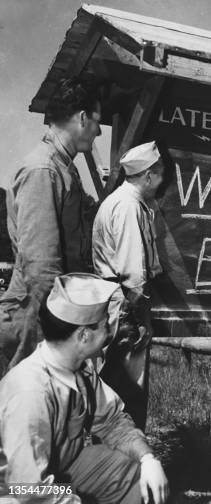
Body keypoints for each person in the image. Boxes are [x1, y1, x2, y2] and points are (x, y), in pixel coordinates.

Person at [0, 273, 168, 504]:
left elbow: (112, 423)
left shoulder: (78, 368)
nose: (109, 333)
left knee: (133, 474)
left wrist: (148, 458)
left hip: (61, 470)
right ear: (84, 335)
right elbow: (27, 489)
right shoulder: (30, 392)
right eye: (104, 325)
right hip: (15, 491)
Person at [0, 77, 102, 373]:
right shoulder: (43, 170)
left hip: (48, 312)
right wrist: (61, 335)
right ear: (82, 118)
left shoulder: (62, 168)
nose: (98, 131)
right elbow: (41, 267)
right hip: (36, 318)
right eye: (97, 122)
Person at [92, 141, 164, 429]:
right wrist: (144, 320)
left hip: (113, 305)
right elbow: (134, 278)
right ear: (148, 175)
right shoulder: (129, 207)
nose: (162, 182)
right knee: (127, 394)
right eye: (160, 174)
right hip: (124, 311)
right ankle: (127, 465)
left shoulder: (120, 202)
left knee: (111, 389)